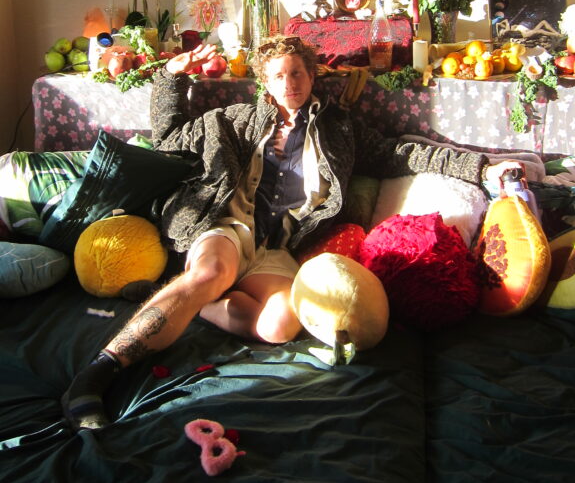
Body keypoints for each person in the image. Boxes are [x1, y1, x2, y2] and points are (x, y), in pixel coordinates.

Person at [62, 34, 512, 431]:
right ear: (265, 83)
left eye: (297, 72)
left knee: (281, 325)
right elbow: (169, 139)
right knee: (211, 273)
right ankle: (99, 372)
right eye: (279, 75)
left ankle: (179, 296)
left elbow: (401, 154)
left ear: (312, 76)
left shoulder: (340, 131)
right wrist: (171, 80)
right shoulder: (233, 120)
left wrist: (482, 168)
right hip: (228, 223)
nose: (290, 83)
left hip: (281, 246)